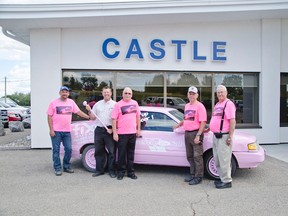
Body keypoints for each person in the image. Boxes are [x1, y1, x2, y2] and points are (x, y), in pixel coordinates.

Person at [47, 86, 91, 176]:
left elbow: (78, 112)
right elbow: (49, 116)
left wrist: (89, 117)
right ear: (60, 93)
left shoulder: (71, 102)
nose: (65, 93)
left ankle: (66, 166)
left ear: (68, 94)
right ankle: (57, 168)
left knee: (69, 149)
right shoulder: (53, 103)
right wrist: (51, 130)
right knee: (56, 150)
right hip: (56, 131)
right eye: (63, 92)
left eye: (66, 92)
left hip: (67, 131)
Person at [174, 86, 207, 185]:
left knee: (197, 156)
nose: (191, 95)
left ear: (197, 95)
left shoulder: (200, 106)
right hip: (187, 133)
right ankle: (193, 174)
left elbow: (203, 122)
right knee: (190, 156)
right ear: (188, 95)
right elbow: (187, 119)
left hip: (195, 133)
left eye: (193, 94)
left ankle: (198, 177)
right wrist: (179, 124)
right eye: (190, 93)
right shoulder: (187, 106)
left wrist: (198, 135)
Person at [85, 87, 117, 178]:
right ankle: (99, 170)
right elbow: (93, 118)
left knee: (112, 152)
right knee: (99, 151)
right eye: (104, 92)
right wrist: (89, 111)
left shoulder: (115, 105)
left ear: (111, 93)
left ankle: (112, 171)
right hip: (99, 130)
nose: (106, 94)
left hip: (109, 130)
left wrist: (113, 130)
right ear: (102, 93)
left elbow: (118, 119)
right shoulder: (97, 105)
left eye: (108, 92)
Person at [209, 85, 236, 189]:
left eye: (222, 92)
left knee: (224, 160)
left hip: (224, 136)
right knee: (217, 159)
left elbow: (232, 121)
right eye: (218, 92)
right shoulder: (218, 104)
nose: (220, 94)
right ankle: (222, 178)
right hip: (215, 136)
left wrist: (230, 136)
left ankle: (227, 181)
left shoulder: (228, 104)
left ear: (226, 93)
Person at [112, 87, 141, 180]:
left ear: (131, 95)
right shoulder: (118, 105)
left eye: (129, 93)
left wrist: (138, 129)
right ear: (122, 94)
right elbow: (113, 119)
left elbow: (138, 117)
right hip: (122, 134)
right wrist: (115, 133)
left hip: (132, 133)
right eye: (126, 93)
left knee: (131, 154)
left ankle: (130, 172)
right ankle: (121, 172)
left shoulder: (135, 103)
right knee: (121, 154)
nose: (127, 95)